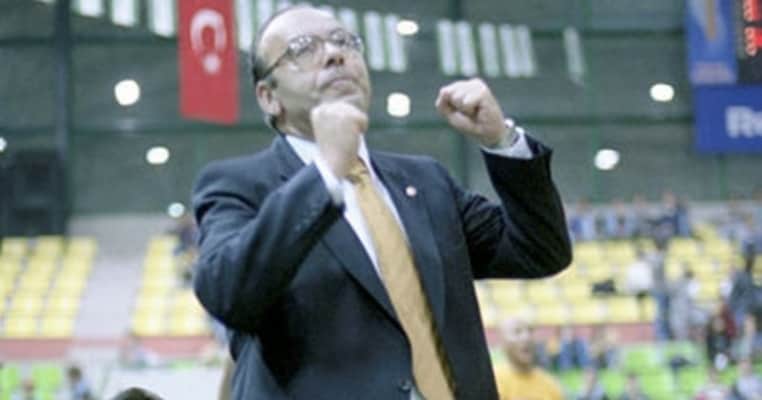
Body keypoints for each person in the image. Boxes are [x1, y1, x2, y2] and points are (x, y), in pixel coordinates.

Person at [191, 5, 571, 400]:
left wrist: (501, 141)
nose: (335, 54)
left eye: (344, 42)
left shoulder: (426, 181)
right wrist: (325, 174)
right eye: (303, 48)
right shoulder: (238, 185)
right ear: (269, 97)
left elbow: (540, 251)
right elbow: (227, 293)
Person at [493, 318, 563, 400]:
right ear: (502, 342)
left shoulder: (550, 384)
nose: (526, 337)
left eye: (530, 332)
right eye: (517, 332)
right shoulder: (493, 382)